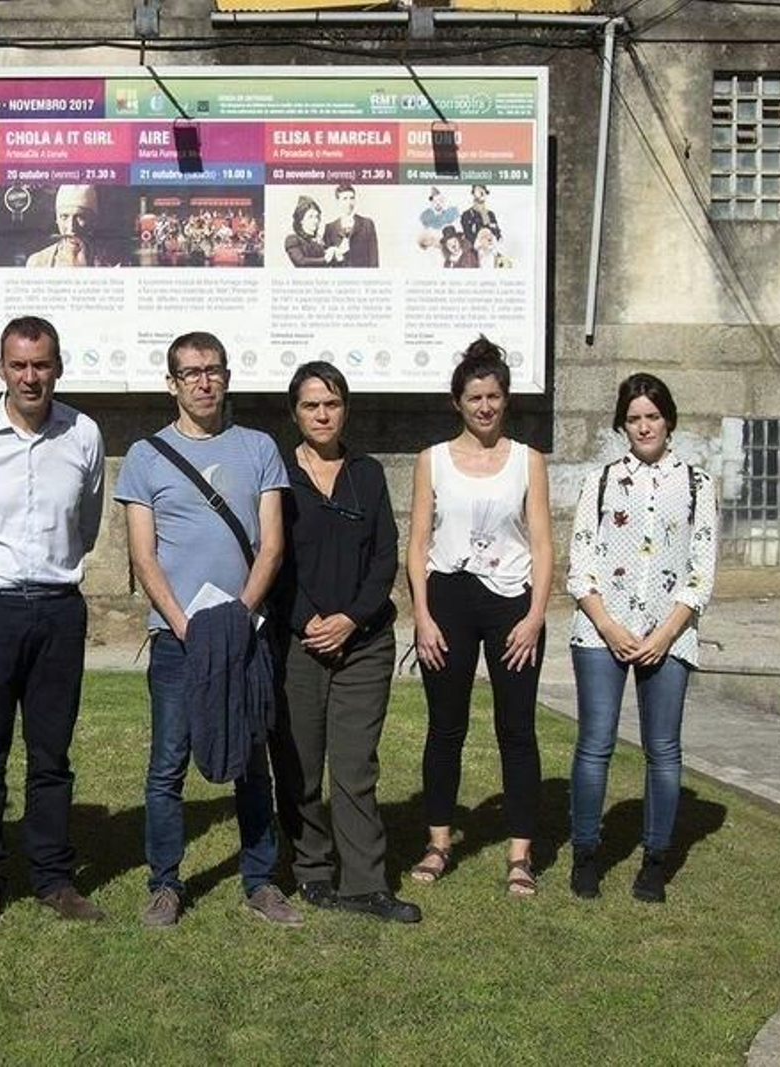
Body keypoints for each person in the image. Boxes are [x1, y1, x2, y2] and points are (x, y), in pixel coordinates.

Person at [115, 331, 298, 928]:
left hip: (243, 633)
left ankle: (260, 881)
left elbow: (272, 545)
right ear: (172, 383)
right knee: (167, 764)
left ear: (226, 376)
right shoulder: (146, 457)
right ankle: (165, 884)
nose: (203, 381)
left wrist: (237, 618)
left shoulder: (259, 447)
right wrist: (187, 625)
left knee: (251, 758)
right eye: (190, 372)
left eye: (213, 370)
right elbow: (144, 556)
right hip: (177, 639)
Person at [0, 316, 106, 927]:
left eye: (42, 365)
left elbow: (87, 521)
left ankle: (54, 879)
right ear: (1, 367)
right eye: (19, 365)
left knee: (52, 753)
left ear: (59, 366)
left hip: (59, 610)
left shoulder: (84, 433)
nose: (31, 377)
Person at [269, 363, 420, 924]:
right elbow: (274, 560)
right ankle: (311, 869)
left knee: (355, 766)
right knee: (300, 764)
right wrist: (311, 621)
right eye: (311, 406)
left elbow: (385, 559)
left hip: (363, 643)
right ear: (295, 413)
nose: (322, 415)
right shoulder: (279, 476)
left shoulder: (368, 474)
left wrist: (350, 621)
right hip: (298, 642)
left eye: (331, 404)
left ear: (345, 409)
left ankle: (365, 883)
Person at [407, 337, 552, 896]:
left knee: (516, 730)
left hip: (512, 603)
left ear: (505, 399)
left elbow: (542, 541)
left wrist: (536, 615)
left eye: (493, 396)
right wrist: (421, 614)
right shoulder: (433, 460)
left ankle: (520, 855)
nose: (485, 406)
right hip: (448, 599)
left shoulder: (527, 460)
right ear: (458, 402)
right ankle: (439, 843)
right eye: (474, 397)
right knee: (446, 729)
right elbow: (418, 542)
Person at [566, 374, 716, 903]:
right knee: (595, 744)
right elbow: (580, 565)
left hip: (667, 635)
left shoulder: (697, 484)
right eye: (634, 418)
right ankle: (586, 853)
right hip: (602, 631)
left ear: (668, 420)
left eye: (652, 416)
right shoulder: (600, 481)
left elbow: (702, 572)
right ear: (621, 424)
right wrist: (608, 626)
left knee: (663, 749)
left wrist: (665, 633)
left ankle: (654, 860)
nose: (644, 426)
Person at [25, 184, 119, 267]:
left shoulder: (110, 265)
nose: (71, 228)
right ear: (56, 219)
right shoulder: (37, 263)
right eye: (64, 217)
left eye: (80, 217)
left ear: (93, 220)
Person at [321, 183, 379, 268]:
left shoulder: (367, 224)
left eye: (352, 198)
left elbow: (374, 258)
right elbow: (327, 261)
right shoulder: (330, 228)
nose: (349, 202)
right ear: (338, 201)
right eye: (345, 199)